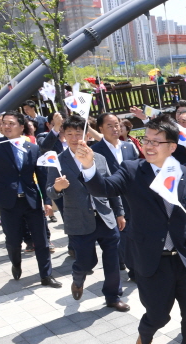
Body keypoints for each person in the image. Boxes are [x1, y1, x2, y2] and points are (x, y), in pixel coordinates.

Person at [80, 117, 186, 344]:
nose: (149, 146)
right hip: (151, 258)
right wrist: (88, 167)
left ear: (172, 146)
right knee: (159, 314)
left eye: (156, 141)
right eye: (146, 140)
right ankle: (146, 332)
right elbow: (104, 187)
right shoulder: (132, 170)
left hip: (184, 256)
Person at [45, 115, 129, 311]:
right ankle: (78, 278)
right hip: (78, 220)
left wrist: (119, 213)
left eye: (78, 134)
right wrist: (57, 188)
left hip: (105, 217)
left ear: (87, 135)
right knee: (85, 262)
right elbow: (49, 191)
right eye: (70, 134)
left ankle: (113, 296)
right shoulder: (57, 161)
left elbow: (110, 187)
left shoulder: (98, 158)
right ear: (64, 136)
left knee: (113, 259)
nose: (75, 138)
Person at [0, 111, 60, 287]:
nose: (6, 126)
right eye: (4, 123)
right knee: (12, 240)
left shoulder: (32, 148)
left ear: (21, 126)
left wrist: (47, 202)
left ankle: (46, 275)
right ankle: (16, 263)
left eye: (11, 123)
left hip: (31, 200)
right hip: (8, 202)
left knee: (41, 239)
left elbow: (41, 177)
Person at [92, 113, 140, 277]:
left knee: (134, 232)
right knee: (122, 234)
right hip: (111, 199)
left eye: (117, 125)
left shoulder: (128, 147)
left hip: (132, 197)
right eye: (110, 126)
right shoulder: (96, 151)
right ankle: (130, 267)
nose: (115, 129)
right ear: (101, 128)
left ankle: (132, 265)